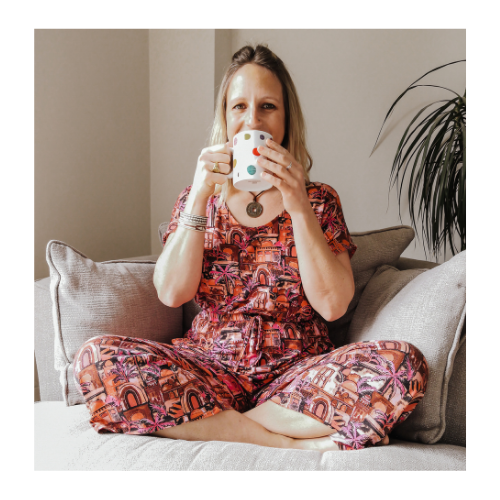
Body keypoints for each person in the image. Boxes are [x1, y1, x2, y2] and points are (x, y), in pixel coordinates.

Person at [73, 44, 428, 452]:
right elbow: (172, 292)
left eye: (268, 107)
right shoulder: (197, 198)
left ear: (286, 119)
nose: (252, 121)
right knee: (96, 359)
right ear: (224, 118)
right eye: (239, 106)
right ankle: (288, 443)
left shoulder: (318, 201)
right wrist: (201, 193)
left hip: (295, 375)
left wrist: (297, 205)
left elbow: (333, 306)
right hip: (209, 367)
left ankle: (220, 427)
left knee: (404, 365)